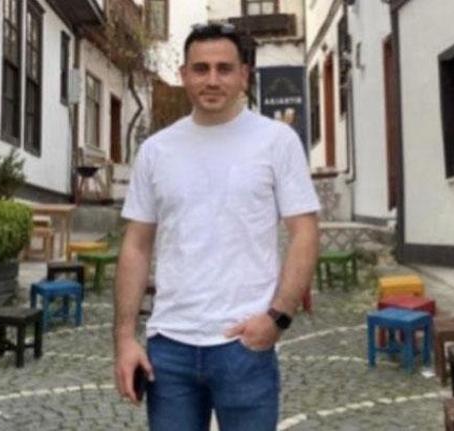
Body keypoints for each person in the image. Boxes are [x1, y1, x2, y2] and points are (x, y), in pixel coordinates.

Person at [113, 22, 320, 431]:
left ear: (244, 75)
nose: (211, 79)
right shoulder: (156, 150)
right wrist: (124, 339)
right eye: (200, 68)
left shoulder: (276, 141)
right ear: (183, 74)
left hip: (244, 345)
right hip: (169, 347)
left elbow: (305, 232)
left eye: (224, 69)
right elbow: (136, 245)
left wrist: (277, 318)